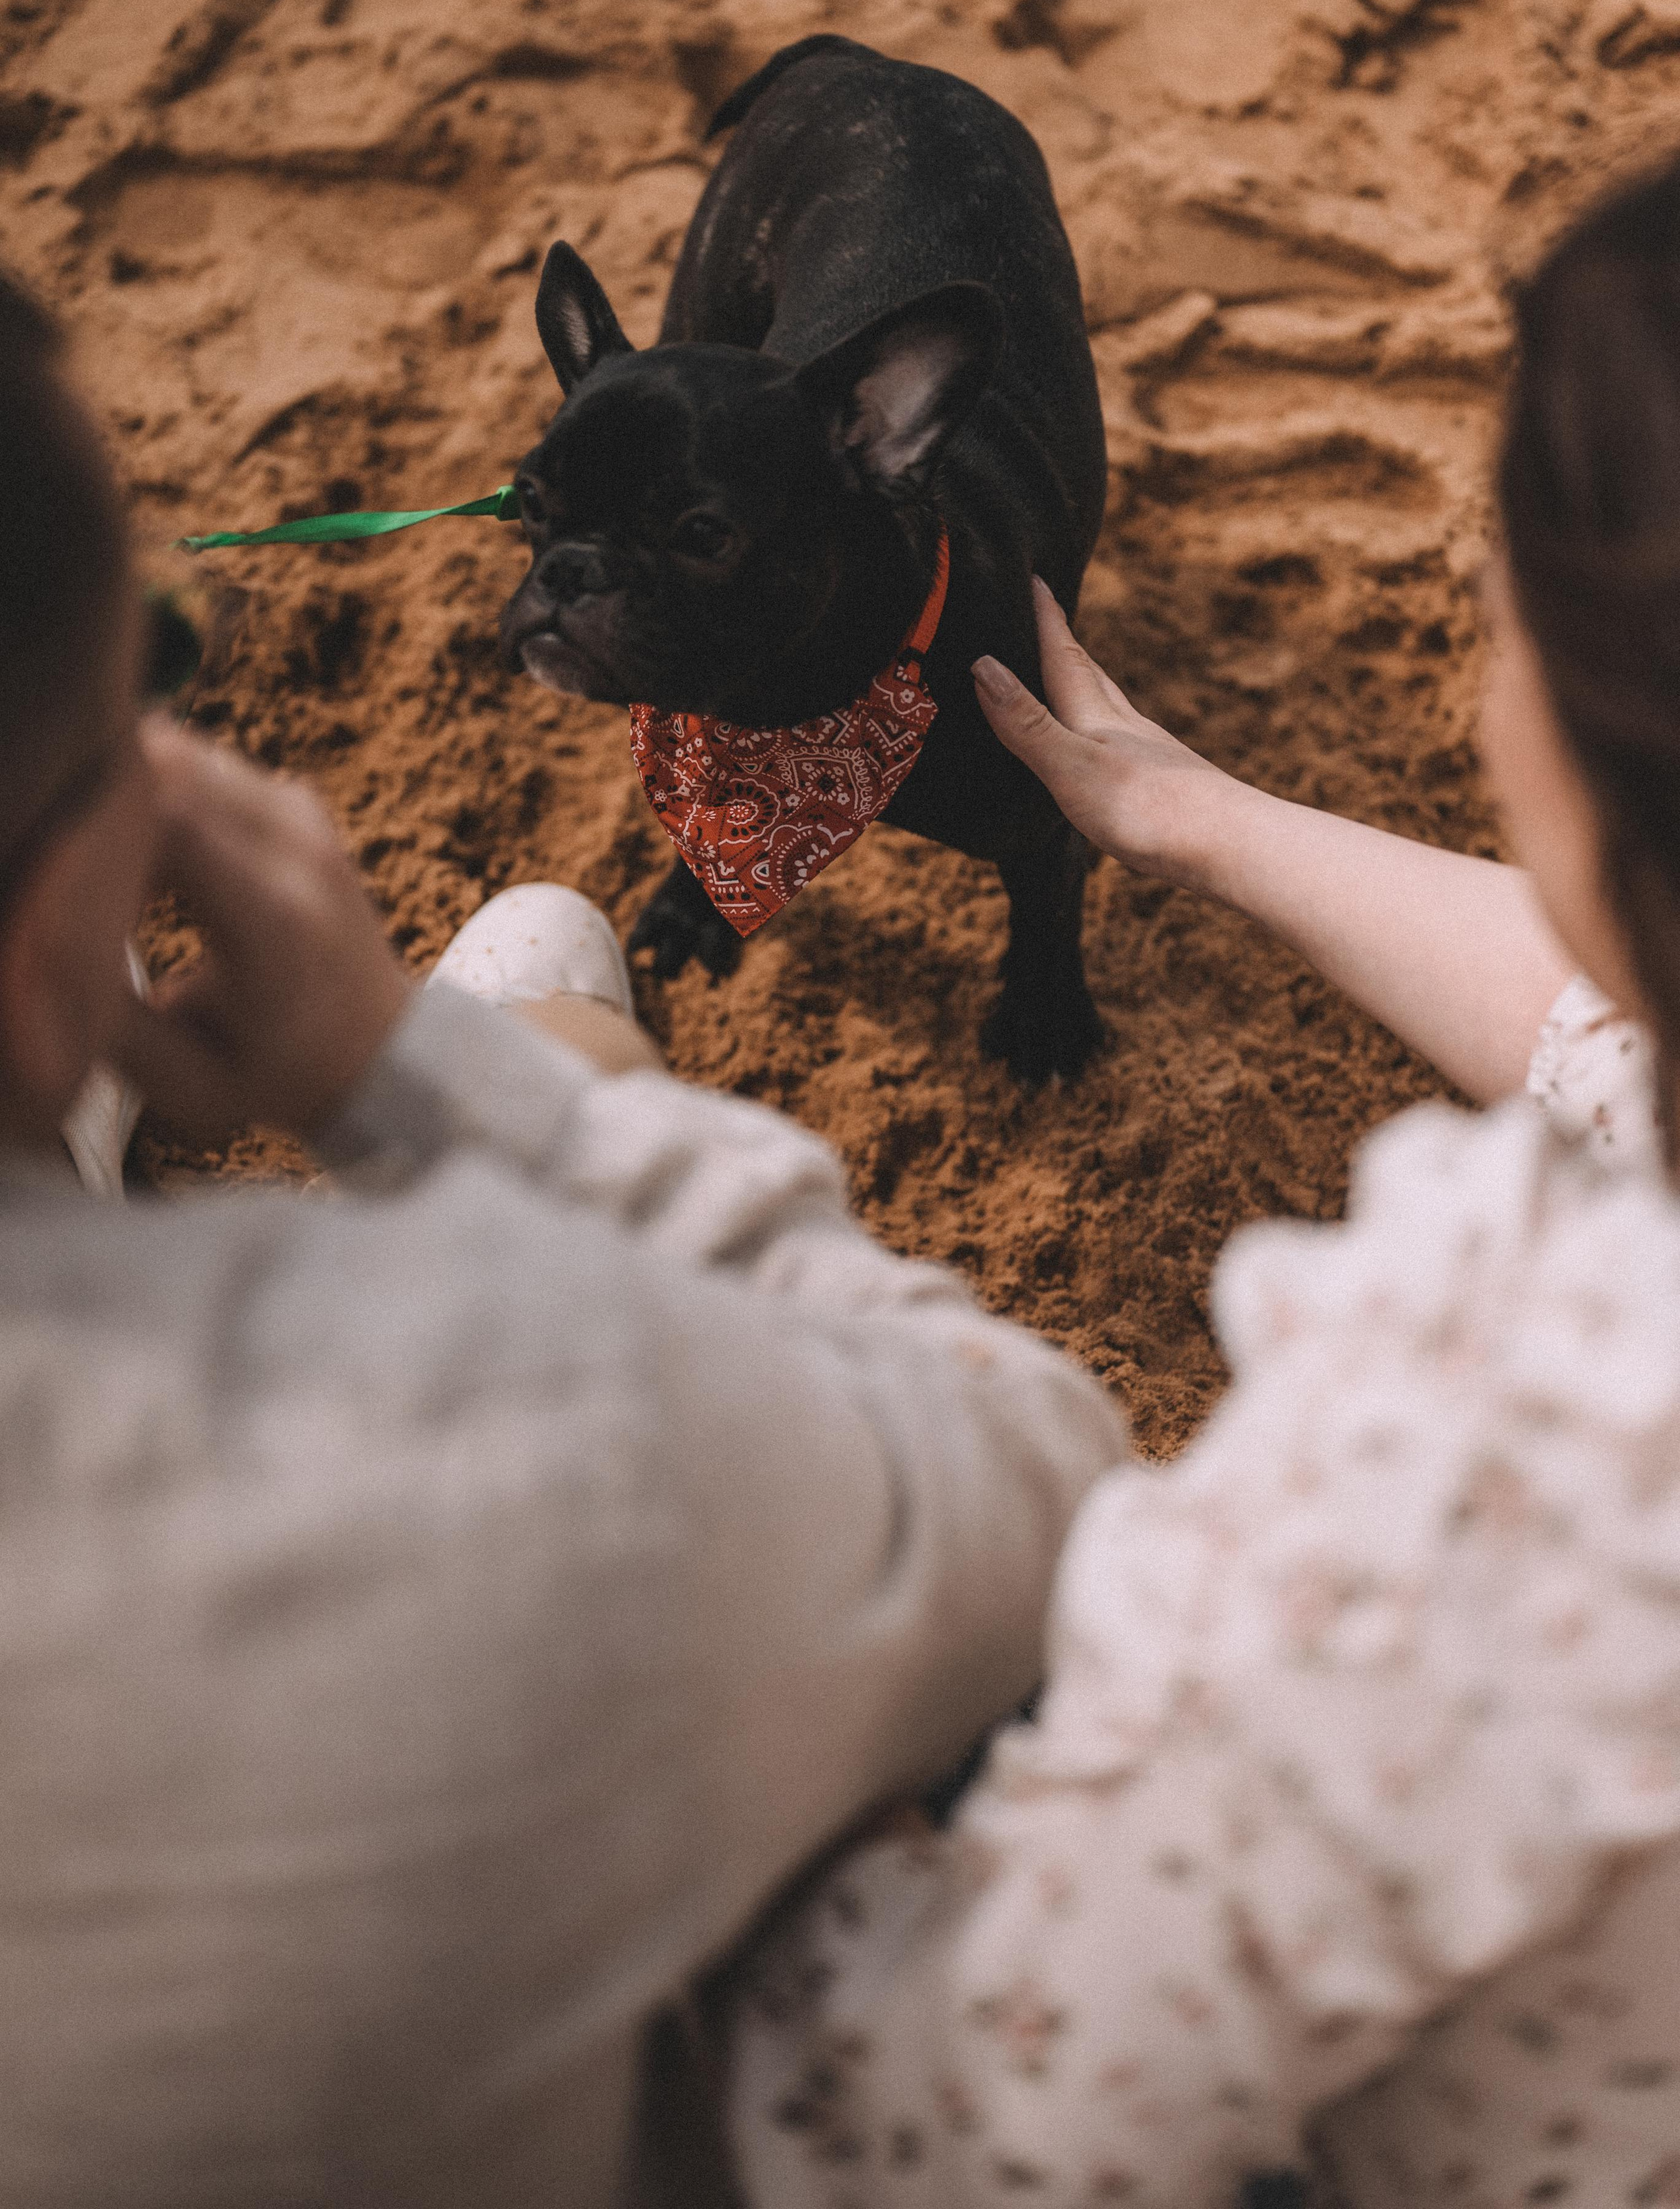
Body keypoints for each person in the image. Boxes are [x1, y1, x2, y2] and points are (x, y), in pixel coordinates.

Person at [0, 272, 1125, 2206]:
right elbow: (1039, 1471)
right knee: (537, 946)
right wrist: (421, 1070)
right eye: (151, 679)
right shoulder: (523, 1421)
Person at [723, 159, 1680, 2204]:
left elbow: (978, 2116)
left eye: (1492, 606)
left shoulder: (1501, 1454)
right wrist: (1205, 818)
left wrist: (652, 1200)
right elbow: (1624, 1055)